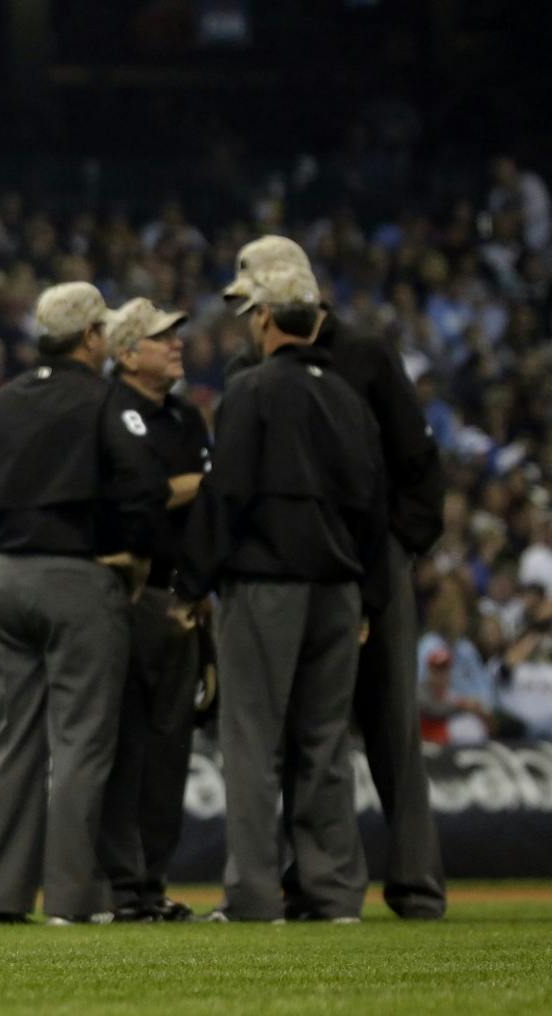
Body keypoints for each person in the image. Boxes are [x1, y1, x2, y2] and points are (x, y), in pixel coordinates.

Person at [221, 235, 447, 921]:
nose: (243, 316)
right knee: (304, 730)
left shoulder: (367, 355)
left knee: (389, 725)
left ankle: (415, 885)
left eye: (250, 300)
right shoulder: (247, 366)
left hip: (369, 561)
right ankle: (306, 882)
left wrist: (397, 553)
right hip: (298, 572)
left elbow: (418, 465)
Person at [0, 281, 167, 926]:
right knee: (82, 745)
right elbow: (145, 486)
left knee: (14, 742)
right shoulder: (106, 399)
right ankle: (70, 902)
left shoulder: (0, 403)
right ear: (93, 337)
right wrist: (136, 554)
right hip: (77, 576)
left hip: (5, 581)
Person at [178, 260, 389, 924]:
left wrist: (192, 582)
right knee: (326, 743)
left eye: (250, 313)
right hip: (339, 589)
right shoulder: (347, 396)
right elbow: (372, 505)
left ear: (266, 318)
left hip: (268, 585)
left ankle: (252, 896)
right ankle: (333, 896)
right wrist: (371, 596)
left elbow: (228, 493)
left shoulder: (253, 389)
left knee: (252, 742)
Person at [94, 297, 210, 924]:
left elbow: (200, 499)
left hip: (183, 596)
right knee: (126, 742)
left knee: (170, 749)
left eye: (176, 335)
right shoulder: (110, 411)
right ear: (127, 352)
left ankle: (152, 882)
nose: (177, 344)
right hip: (129, 593)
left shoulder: (187, 419)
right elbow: (141, 495)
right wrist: (198, 485)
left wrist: (202, 589)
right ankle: (120, 884)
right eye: (163, 337)